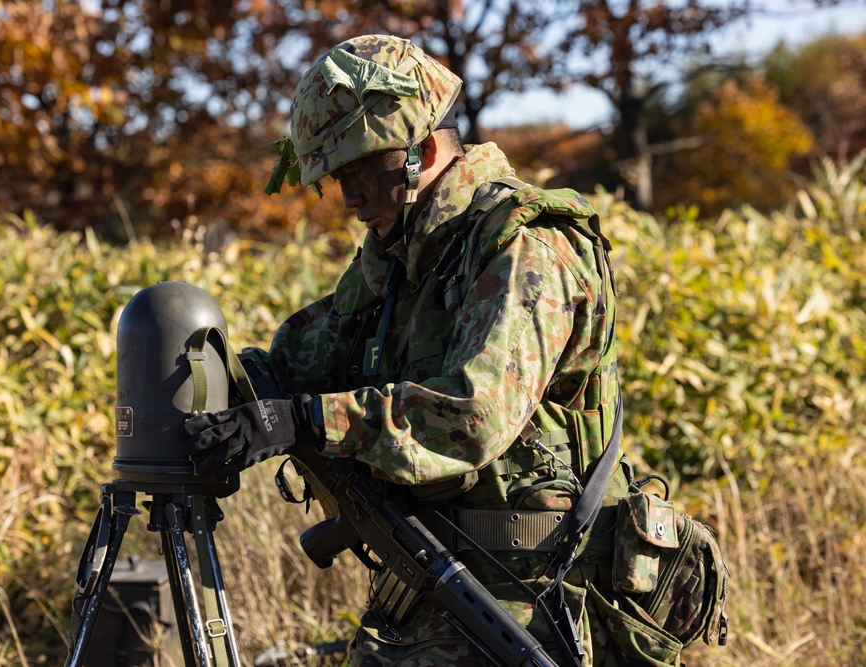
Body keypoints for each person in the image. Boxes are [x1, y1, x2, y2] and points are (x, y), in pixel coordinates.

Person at [184, 34, 633, 666]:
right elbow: (305, 356)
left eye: (361, 171)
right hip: (432, 580)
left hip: (528, 598)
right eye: (338, 178)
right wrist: (212, 375)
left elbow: (474, 415)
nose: (349, 197)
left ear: (420, 151)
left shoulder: (525, 247)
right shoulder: (400, 255)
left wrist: (304, 420)